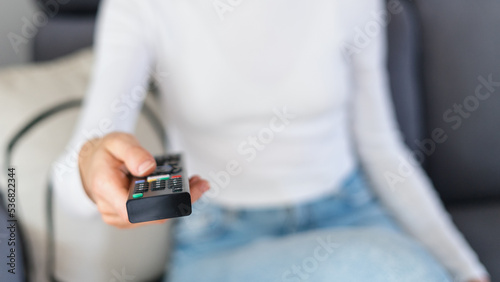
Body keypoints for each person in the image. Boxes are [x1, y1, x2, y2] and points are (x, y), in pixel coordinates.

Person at [51, 0, 490, 281]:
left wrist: (465, 270)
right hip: (221, 238)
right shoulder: (144, 7)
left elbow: (381, 148)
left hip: (352, 214)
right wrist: (91, 165)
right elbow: (71, 186)